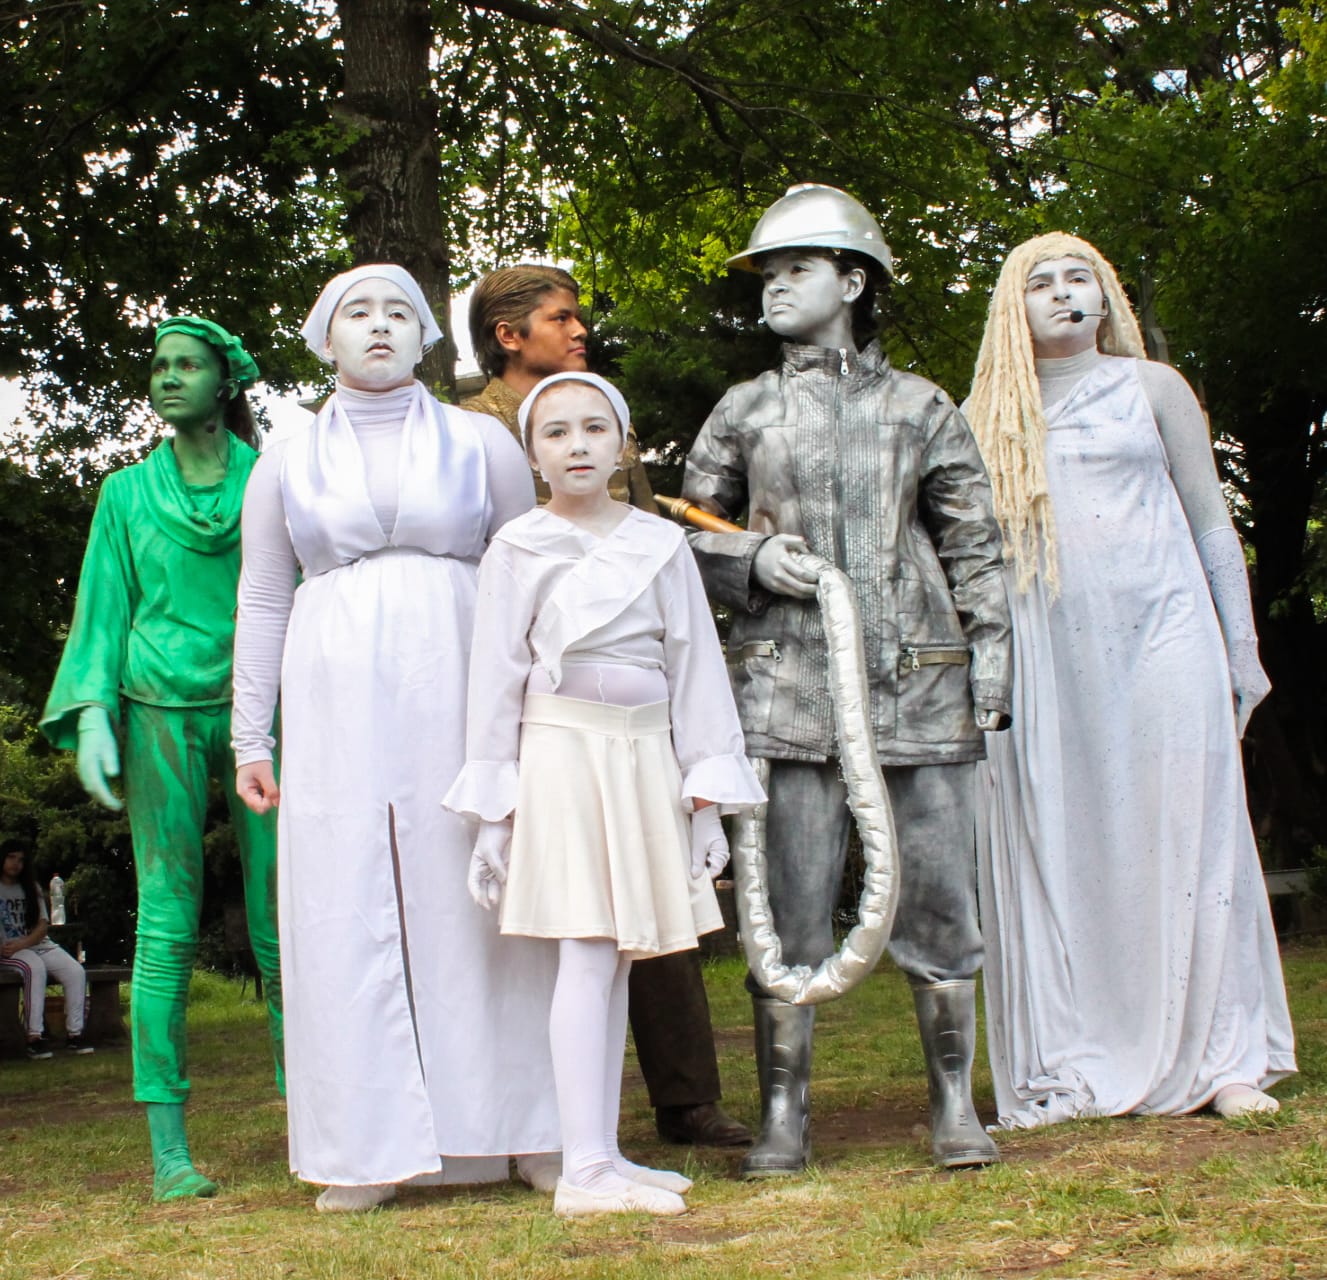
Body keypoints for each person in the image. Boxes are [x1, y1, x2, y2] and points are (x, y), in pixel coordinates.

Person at [682, 184, 1013, 1174]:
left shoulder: (922, 405)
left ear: (852, 279)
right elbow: (679, 535)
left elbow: (973, 538)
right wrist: (745, 559)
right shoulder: (741, 409)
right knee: (784, 904)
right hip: (788, 690)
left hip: (919, 680)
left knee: (941, 899)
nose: (773, 288)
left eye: (794, 268)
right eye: (766, 274)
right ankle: (784, 1112)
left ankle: (953, 1102)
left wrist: (989, 659)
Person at [232, 264, 560, 1213]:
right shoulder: (284, 461)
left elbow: (525, 573)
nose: (377, 328)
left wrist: (538, 709)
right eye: (355, 314)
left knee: (478, 887)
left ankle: (526, 1125)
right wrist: (250, 733)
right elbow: (261, 594)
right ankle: (366, 1147)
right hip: (335, 691)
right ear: (324, 339)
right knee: (348, 895)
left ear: (424, 339)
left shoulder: (480, 444)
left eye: (397, 314)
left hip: (459, 673)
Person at [964, 232, 1296, 1129]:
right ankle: (1072, 1057)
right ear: (1011, 309)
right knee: (1068, 841)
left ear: (1108, 296)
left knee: (1187, 828)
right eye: (1042, 283)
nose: (1066, 295)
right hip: (1047, 656)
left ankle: (1224, 1056)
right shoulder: (983, 416)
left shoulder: (1153, 391)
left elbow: (1211, 524)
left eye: (1082, 279)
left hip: (1164, 631)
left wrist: (1241, 647)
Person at [444, 371, 765, 1217]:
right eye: (555, 432)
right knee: (587, 949)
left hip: (645, 757)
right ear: (532, 453)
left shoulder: (658, 544)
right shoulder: (516, 547)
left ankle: (603, 1153)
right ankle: (581, 1169)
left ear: (621, 443)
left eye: (593, 428)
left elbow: (696, 668)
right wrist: (494, 816)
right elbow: (495, 682)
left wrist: (704, 801)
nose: (576, 445)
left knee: (624, 952)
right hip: (560, 755)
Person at [41, 315, 281, 1201]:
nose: (169, 378)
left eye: (189, 365)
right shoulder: (125, 495)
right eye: (160, 365)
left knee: (282, 920)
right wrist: (93, 715)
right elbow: (101, 611)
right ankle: (169, 1148)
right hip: (156, 713)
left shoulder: (271, 482)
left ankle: (317, 1115)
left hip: (263, 708)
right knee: (166, 923)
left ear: (227, 382)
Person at [0, 838, 93, 1057]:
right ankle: (34, 1037)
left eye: (21, 860)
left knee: (75, 972)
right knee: (34, 968)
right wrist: (15, 947)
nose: (16, 864)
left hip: (36, 944)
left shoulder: (31, 888)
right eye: (11, 857)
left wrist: (24, 942)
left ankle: (75, 1035)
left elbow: (42, 927)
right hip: (8, 950)